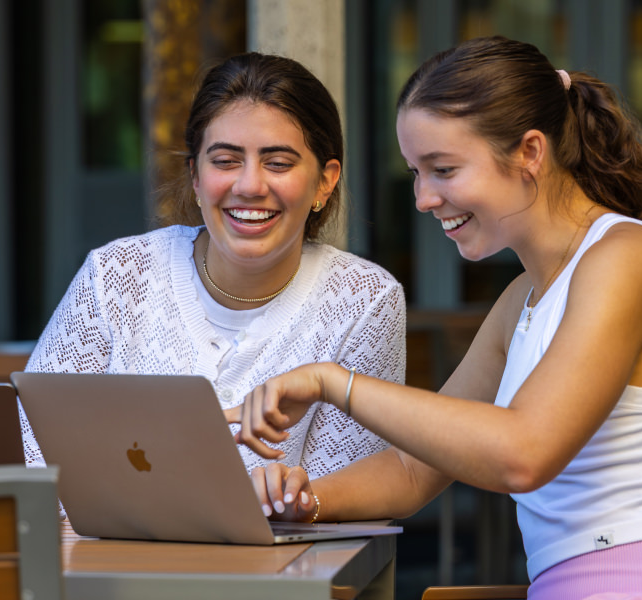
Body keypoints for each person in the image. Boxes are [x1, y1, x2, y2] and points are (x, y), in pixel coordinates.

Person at [233, 36, 642, 599]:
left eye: (443, 169)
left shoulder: (626, 259)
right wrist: (296, 500)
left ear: (530, 153)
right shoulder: (523, 299)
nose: (423, 197)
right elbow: (415, 471)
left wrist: (331, 383)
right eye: (416, 171)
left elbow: (523, 454)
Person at [20, 52, 407, 495]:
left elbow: (335, 499)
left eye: (278, 163)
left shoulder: (364, 300)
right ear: (196, 176)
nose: (250, 185)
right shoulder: (114, 274)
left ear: (325, 181)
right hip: (100, 559)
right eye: (225, 160)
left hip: (273, 564)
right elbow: (35, 458)